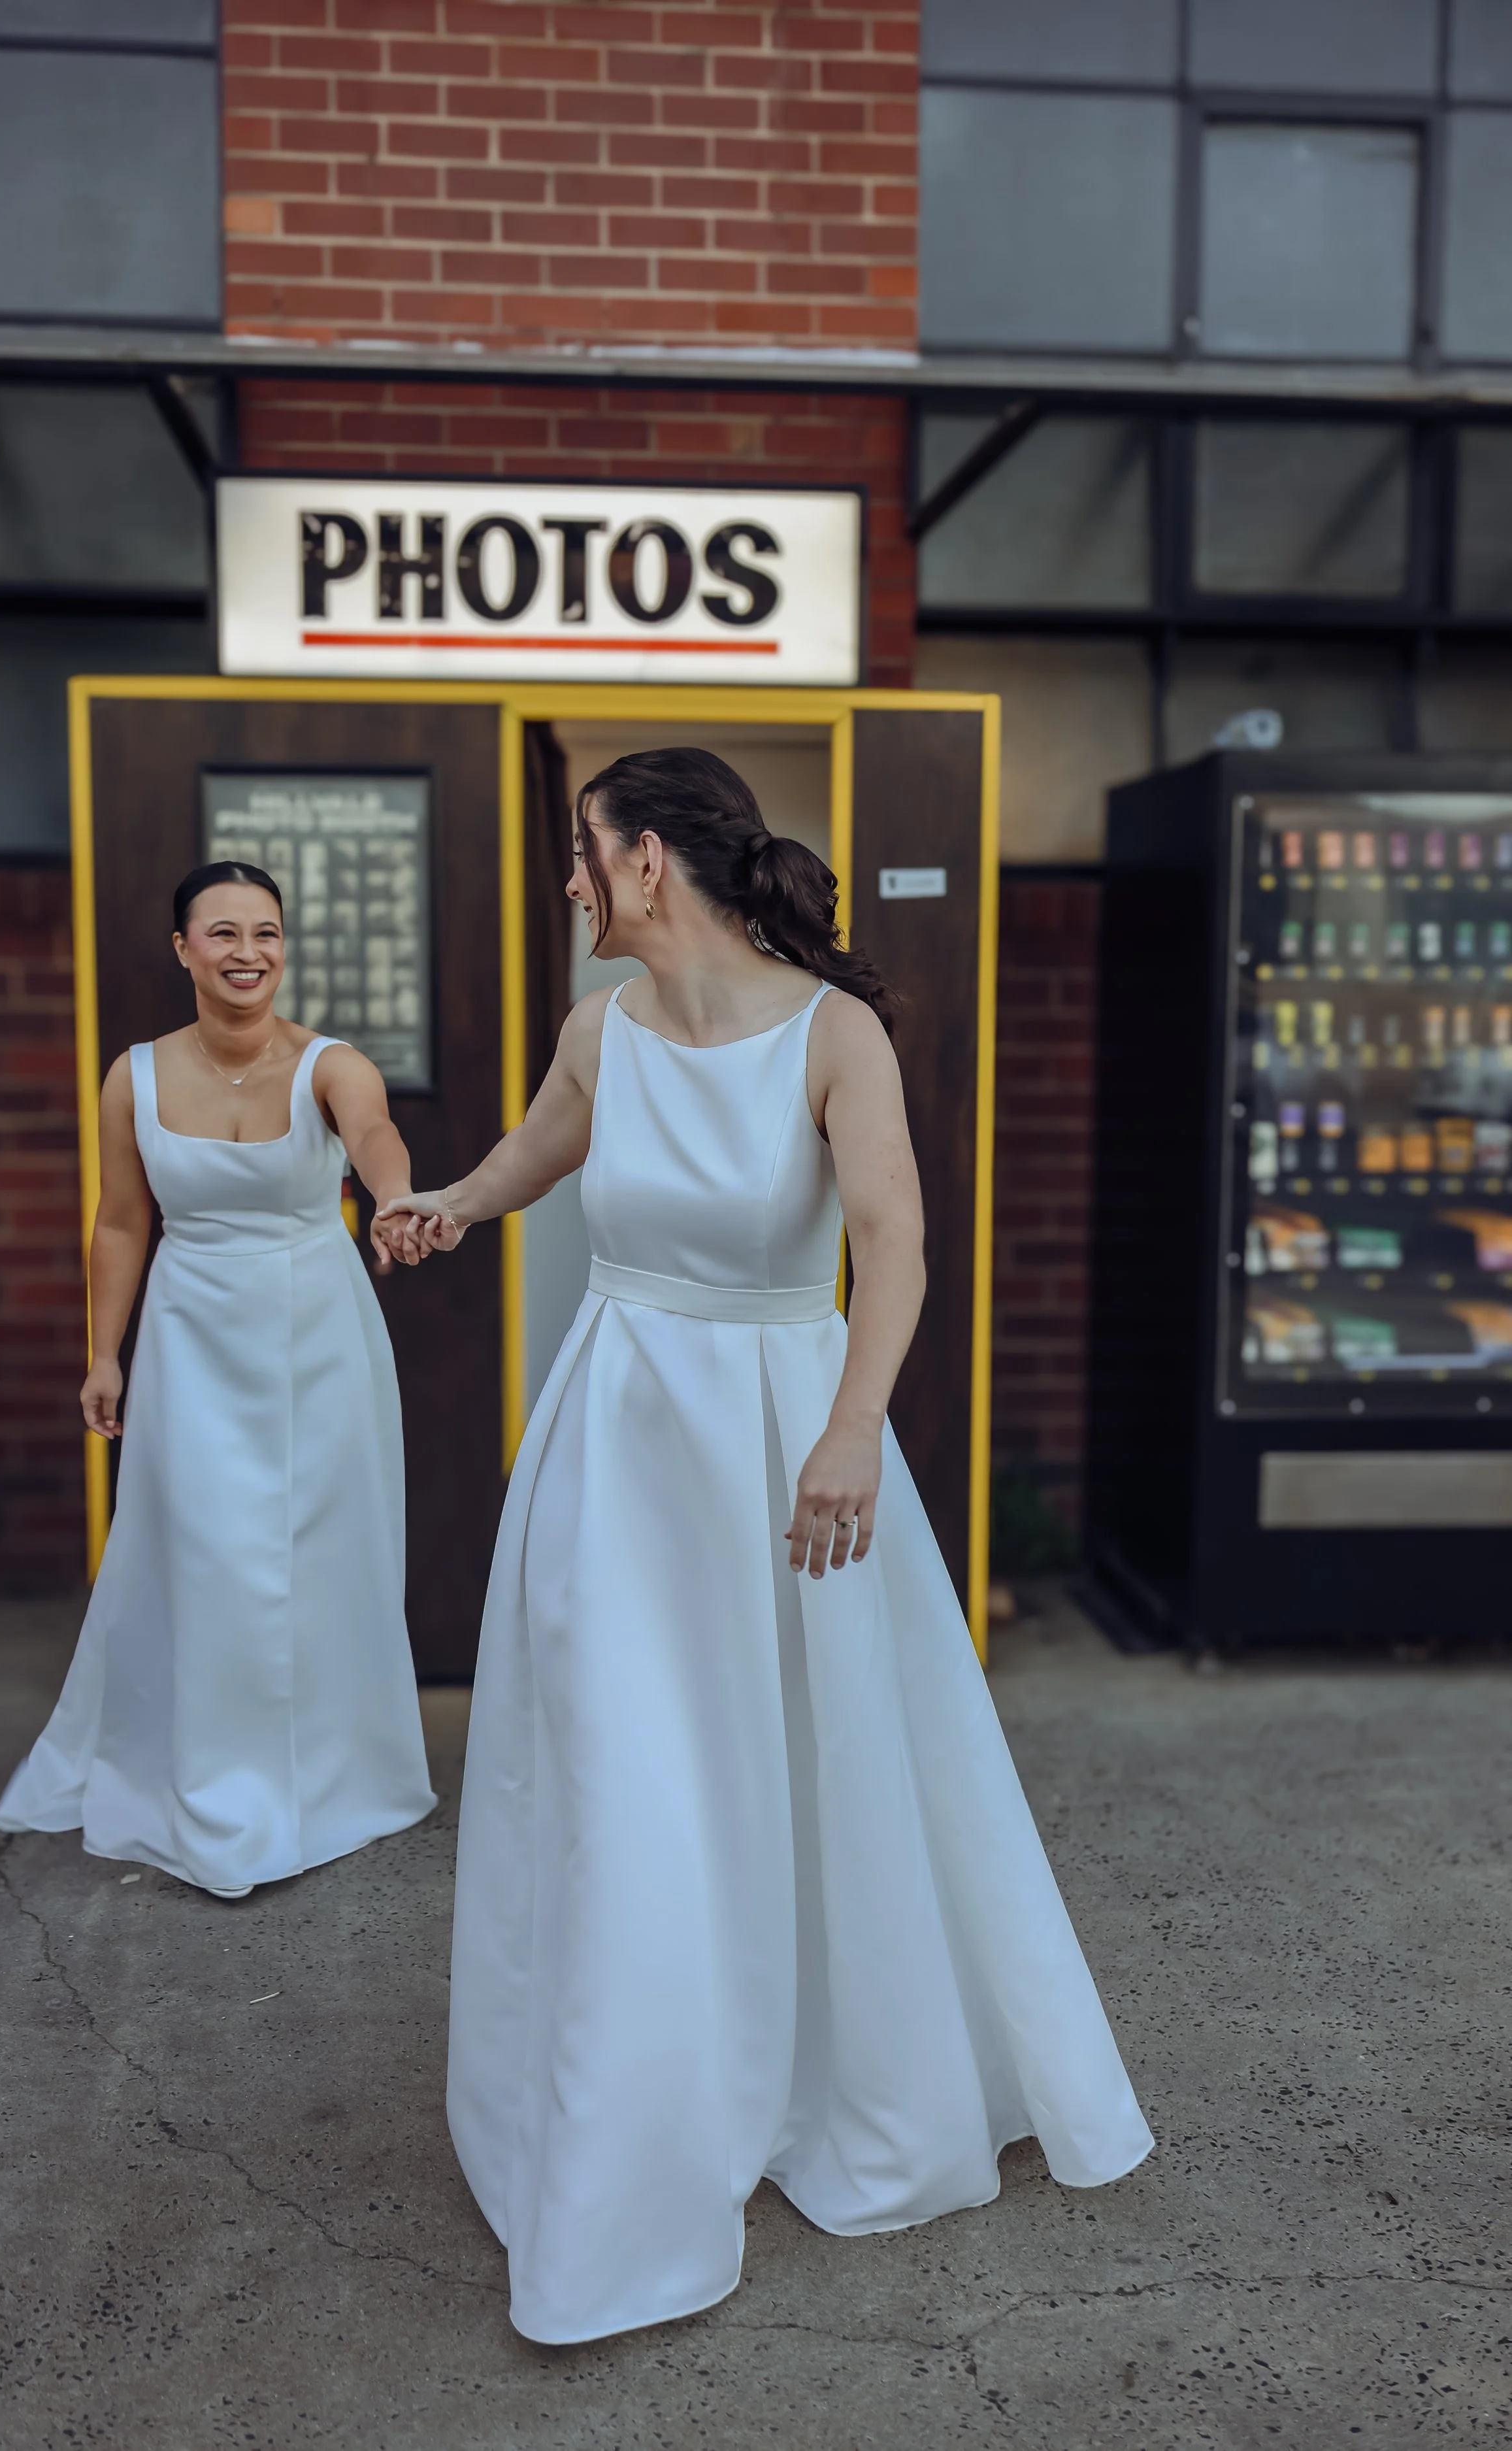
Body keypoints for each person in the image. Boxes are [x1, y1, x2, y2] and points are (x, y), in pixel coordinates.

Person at [380, 748, 1153, 2344]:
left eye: (583, 856)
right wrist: (452, 1201)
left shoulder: (833, 1032)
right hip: (617, 1441)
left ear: (646, 858)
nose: (570, 885)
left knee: (812, 1752)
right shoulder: (601, 1030)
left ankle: (825, 2067)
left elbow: (895, 1248)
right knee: (621, 1760)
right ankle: (633, 2111)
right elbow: (546, 1147)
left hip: (791, 1435)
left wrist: (854, 1427)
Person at [0, 861, 435, 1899]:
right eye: (225, 933)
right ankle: (211, 1773)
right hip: (192, 1334)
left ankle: (332, 1773)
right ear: (183, 948)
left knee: (321, 1549)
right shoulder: (134, 1074)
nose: (249, 952)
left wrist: (396, 1195)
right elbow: (120, 1220)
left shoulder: (332, 1063)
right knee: (206, 1547)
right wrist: (105, 1352)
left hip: (318, 1331)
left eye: (268, 933)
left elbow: (374, 1136)